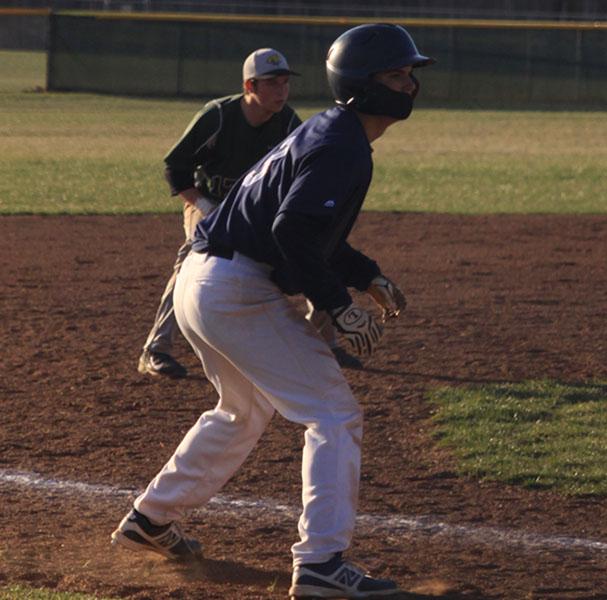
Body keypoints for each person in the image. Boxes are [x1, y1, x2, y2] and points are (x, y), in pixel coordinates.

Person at [111, 24, 432, 599]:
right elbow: (291, 231)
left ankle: (151, 519)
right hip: (236, 291)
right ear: (361, 84)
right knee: (334, 415)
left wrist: (367, 276)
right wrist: (338, 303)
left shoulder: (331, 133)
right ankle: (321, 564)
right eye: (395, 74)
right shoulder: (340, 144)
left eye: (410, 74)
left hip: (205, 281)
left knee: (242, 410)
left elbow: (305, 230)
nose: (409, 84)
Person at [137, 47, 304, 378]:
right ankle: (155, 349)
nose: (281, 91)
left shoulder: (287, 122)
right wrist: (202, 205)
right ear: (249, 87)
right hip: (210, 202)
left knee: (307, 248)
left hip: (260, 209)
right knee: (192, 259)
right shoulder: (218, 117)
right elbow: (175, 167)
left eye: (285, 83)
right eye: (271, 83)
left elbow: (303, 172)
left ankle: (325, 340)